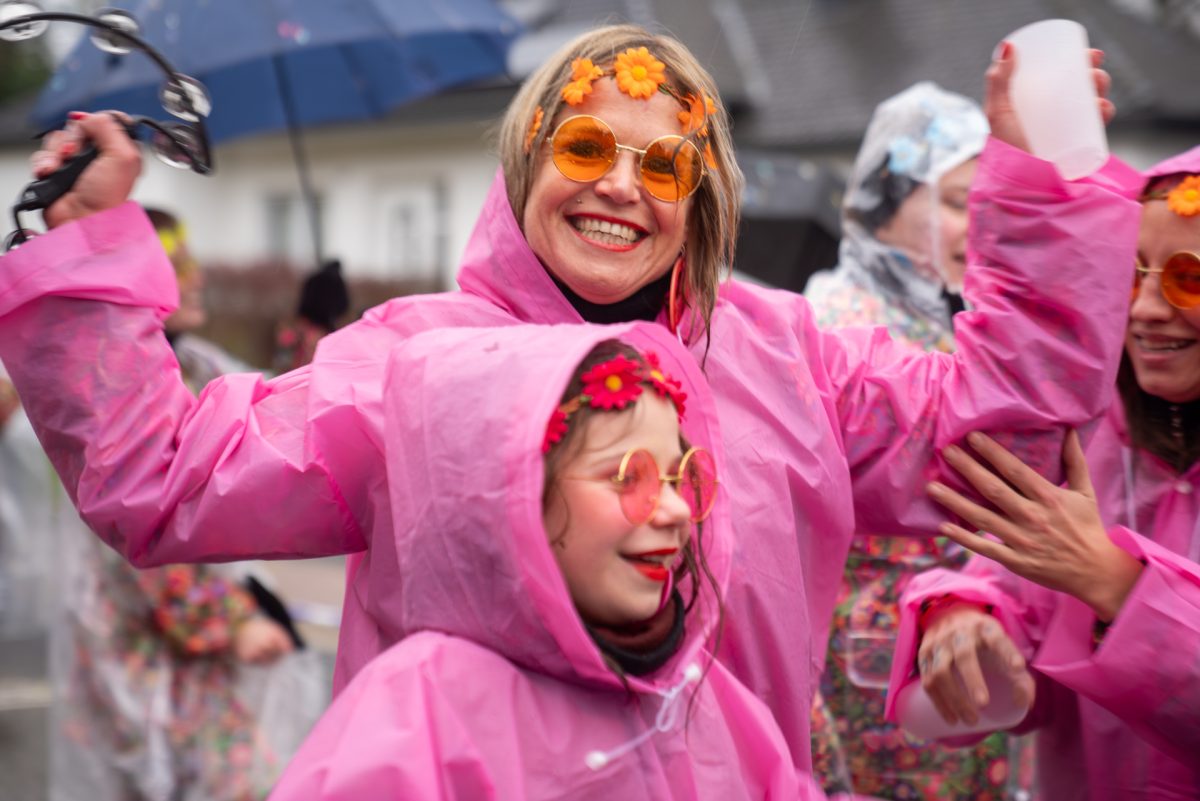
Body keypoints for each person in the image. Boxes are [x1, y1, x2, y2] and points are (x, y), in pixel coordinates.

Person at [0, 25, 1140, 772]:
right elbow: (165, 476)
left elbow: (1005, 432)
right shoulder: (417, 365)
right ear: (526, 163)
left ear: (703, 200)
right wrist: (93, 250)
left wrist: (1046, 191)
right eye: (587, 145)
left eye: (665, 165)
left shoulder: (795, 359)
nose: (619, 187)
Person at [269, 323, 832, 799]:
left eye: (678, 477)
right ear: (514, 498)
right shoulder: (423, 708)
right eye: (625, 476)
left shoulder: (701, 698)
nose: (674, 511)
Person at [884, 147, 1200, 799]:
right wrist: (964, 620)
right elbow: (1014, 594)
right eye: (1130, 272)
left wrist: (1116, 585)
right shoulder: (1095, 438)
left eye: (1186, 279)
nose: (1141, 310)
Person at [803, 84, 1028, 798]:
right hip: (869, 666)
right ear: (888, 198)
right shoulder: (838, 322)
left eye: (988, 207)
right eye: (959, 202)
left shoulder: (947, 314)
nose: (976, 228)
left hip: (953, 645)